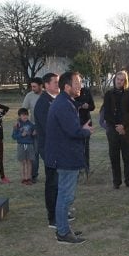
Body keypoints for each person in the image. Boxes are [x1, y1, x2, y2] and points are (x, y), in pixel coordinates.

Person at [45, 71, 94, 244]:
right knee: (65, 196)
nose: (80, 85)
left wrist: (81, 128)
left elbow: (69, 128)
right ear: (67, 86)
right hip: (65, 157)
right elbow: (72, 131)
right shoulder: (63, 104)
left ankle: (64, 228)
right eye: (77, 83)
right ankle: (63, 233)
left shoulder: (65, 102)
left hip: (65, 155)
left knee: (65, 195)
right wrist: (85, 130)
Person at [34, 73, 63, 228]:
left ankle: (60, 212)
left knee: (60, 183)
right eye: (55, 82)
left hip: (59, 148)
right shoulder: (43, 103)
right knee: (52, 182)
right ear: (46, 85)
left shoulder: (56, 99)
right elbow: (49, 127)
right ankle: (52, 217)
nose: (58, 84)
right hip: (50, 149)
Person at [22, 77, 44, 183]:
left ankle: (53, 174)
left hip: (47, 128)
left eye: (34, 86)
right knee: (35, 153)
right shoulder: (29, 96)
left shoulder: (47, 96)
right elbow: (23, 111)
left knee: (47, 152)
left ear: (41, 86)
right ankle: (33, 176)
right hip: (34, 129)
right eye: (31, 86)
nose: (33, 88)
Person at [74, 83, 95, 177]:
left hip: (86, 121)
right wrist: (81, 105)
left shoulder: (86, 91)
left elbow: (93, 106)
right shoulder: (72, 91)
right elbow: (71, 103)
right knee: (77, 147)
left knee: (86, 147)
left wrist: (88, 106)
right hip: (76, 122)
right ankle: (77, 169)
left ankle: (86, 168)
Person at [11, 108, 36, 185]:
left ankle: (28, 178)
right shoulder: (17, 125)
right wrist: (21, 135)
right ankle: (23, 178)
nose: (25, 116)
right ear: (19, 116)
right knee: (23, 162)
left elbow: (33, 135)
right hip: (21, 145)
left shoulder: (31, 125)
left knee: (29, 162)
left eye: (26, 115)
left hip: (30, 145)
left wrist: (34, 134)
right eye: (23, 115)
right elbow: (13, 136)